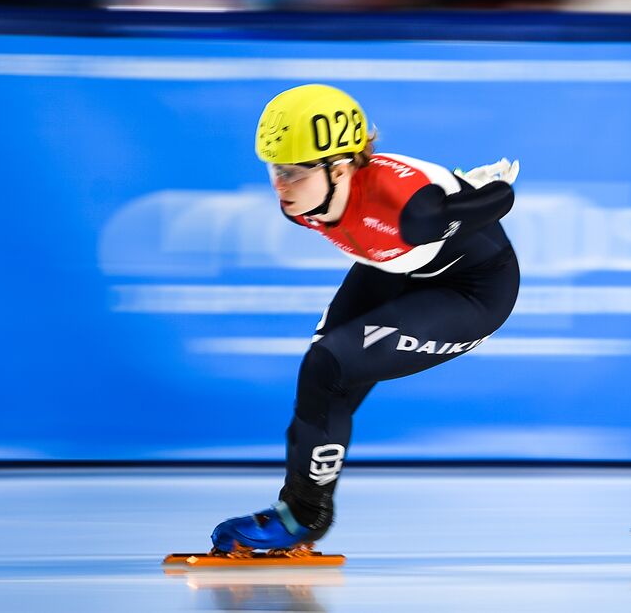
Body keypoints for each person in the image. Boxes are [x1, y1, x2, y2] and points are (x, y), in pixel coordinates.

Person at [209, 84, 520, 555]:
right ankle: (297, 510)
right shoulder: (305, 204)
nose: (280, 185)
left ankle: (303, 517)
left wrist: (479, 193)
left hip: (473, 291)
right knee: (321, 378)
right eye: (274, 170)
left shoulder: (412, 212)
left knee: (329, 366)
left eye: (292, 172)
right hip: (398, 267)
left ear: (339, 168)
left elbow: (502, 200)